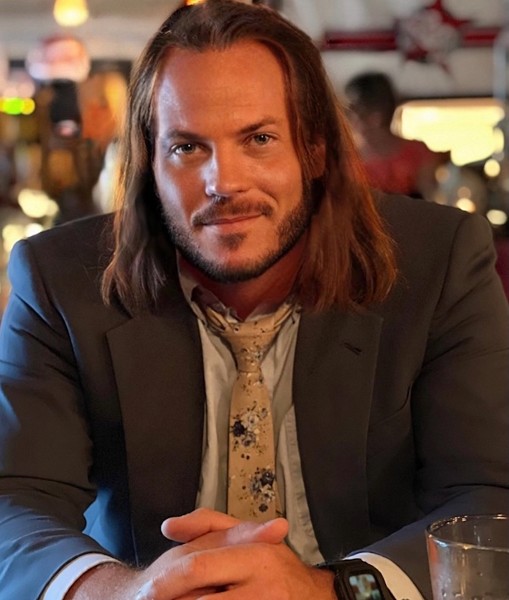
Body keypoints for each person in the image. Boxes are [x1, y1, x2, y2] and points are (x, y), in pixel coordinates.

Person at [0, 1, 507, 599]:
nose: (224, 183)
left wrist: (328, 591)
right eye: (187, 148)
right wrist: (122, 592)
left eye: (259, 139)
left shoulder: (439, 261)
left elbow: (487, 495)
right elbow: (15, 500)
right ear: (149, 163)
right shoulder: (59, 278)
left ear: (315, 149)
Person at [344, 72, 449, 202]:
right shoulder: (345, 160)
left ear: (376, 115)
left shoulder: (417, 153)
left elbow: (431, 202)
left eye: (352, 110)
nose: (347, 117)